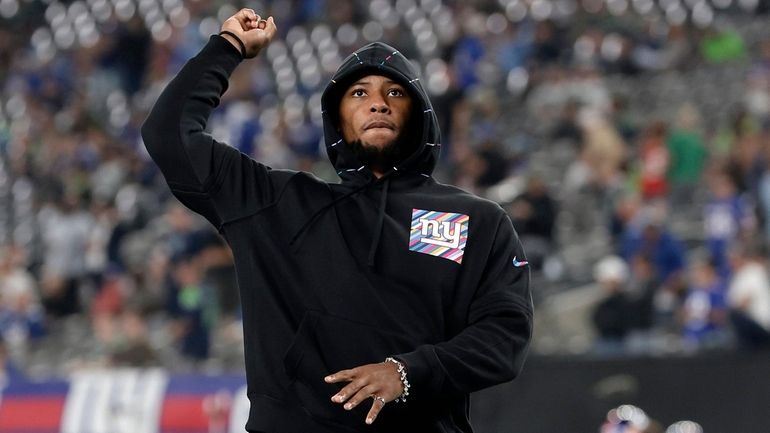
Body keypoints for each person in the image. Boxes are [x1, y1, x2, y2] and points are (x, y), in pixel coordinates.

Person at [142, 9, 533, 433]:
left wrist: (408, 372)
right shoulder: (276, 203)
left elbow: (504, 335)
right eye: (359, 94)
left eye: (395, 93)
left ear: (419, 113)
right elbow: (168, 134)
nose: (379, 103)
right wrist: (229, 47)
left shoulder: (476, 219)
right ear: (339, 119)